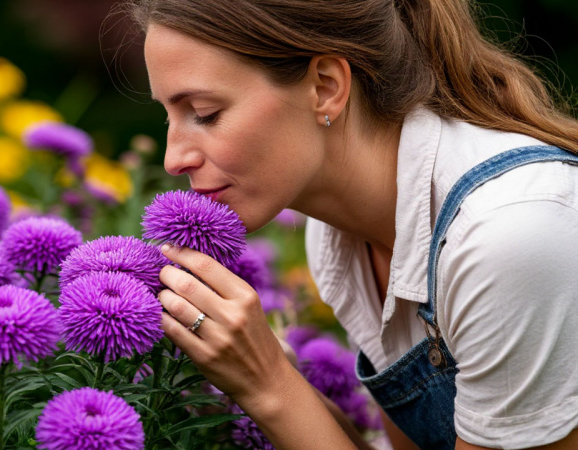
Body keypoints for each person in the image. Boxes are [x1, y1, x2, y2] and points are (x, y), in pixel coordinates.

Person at [123, 0, 578, 448]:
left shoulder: (508, 237)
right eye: (169, 115)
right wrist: (266, 375)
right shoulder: (337, 236)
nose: (173, 158)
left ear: (324, 86)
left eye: (205, 113)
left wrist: (268, 385)